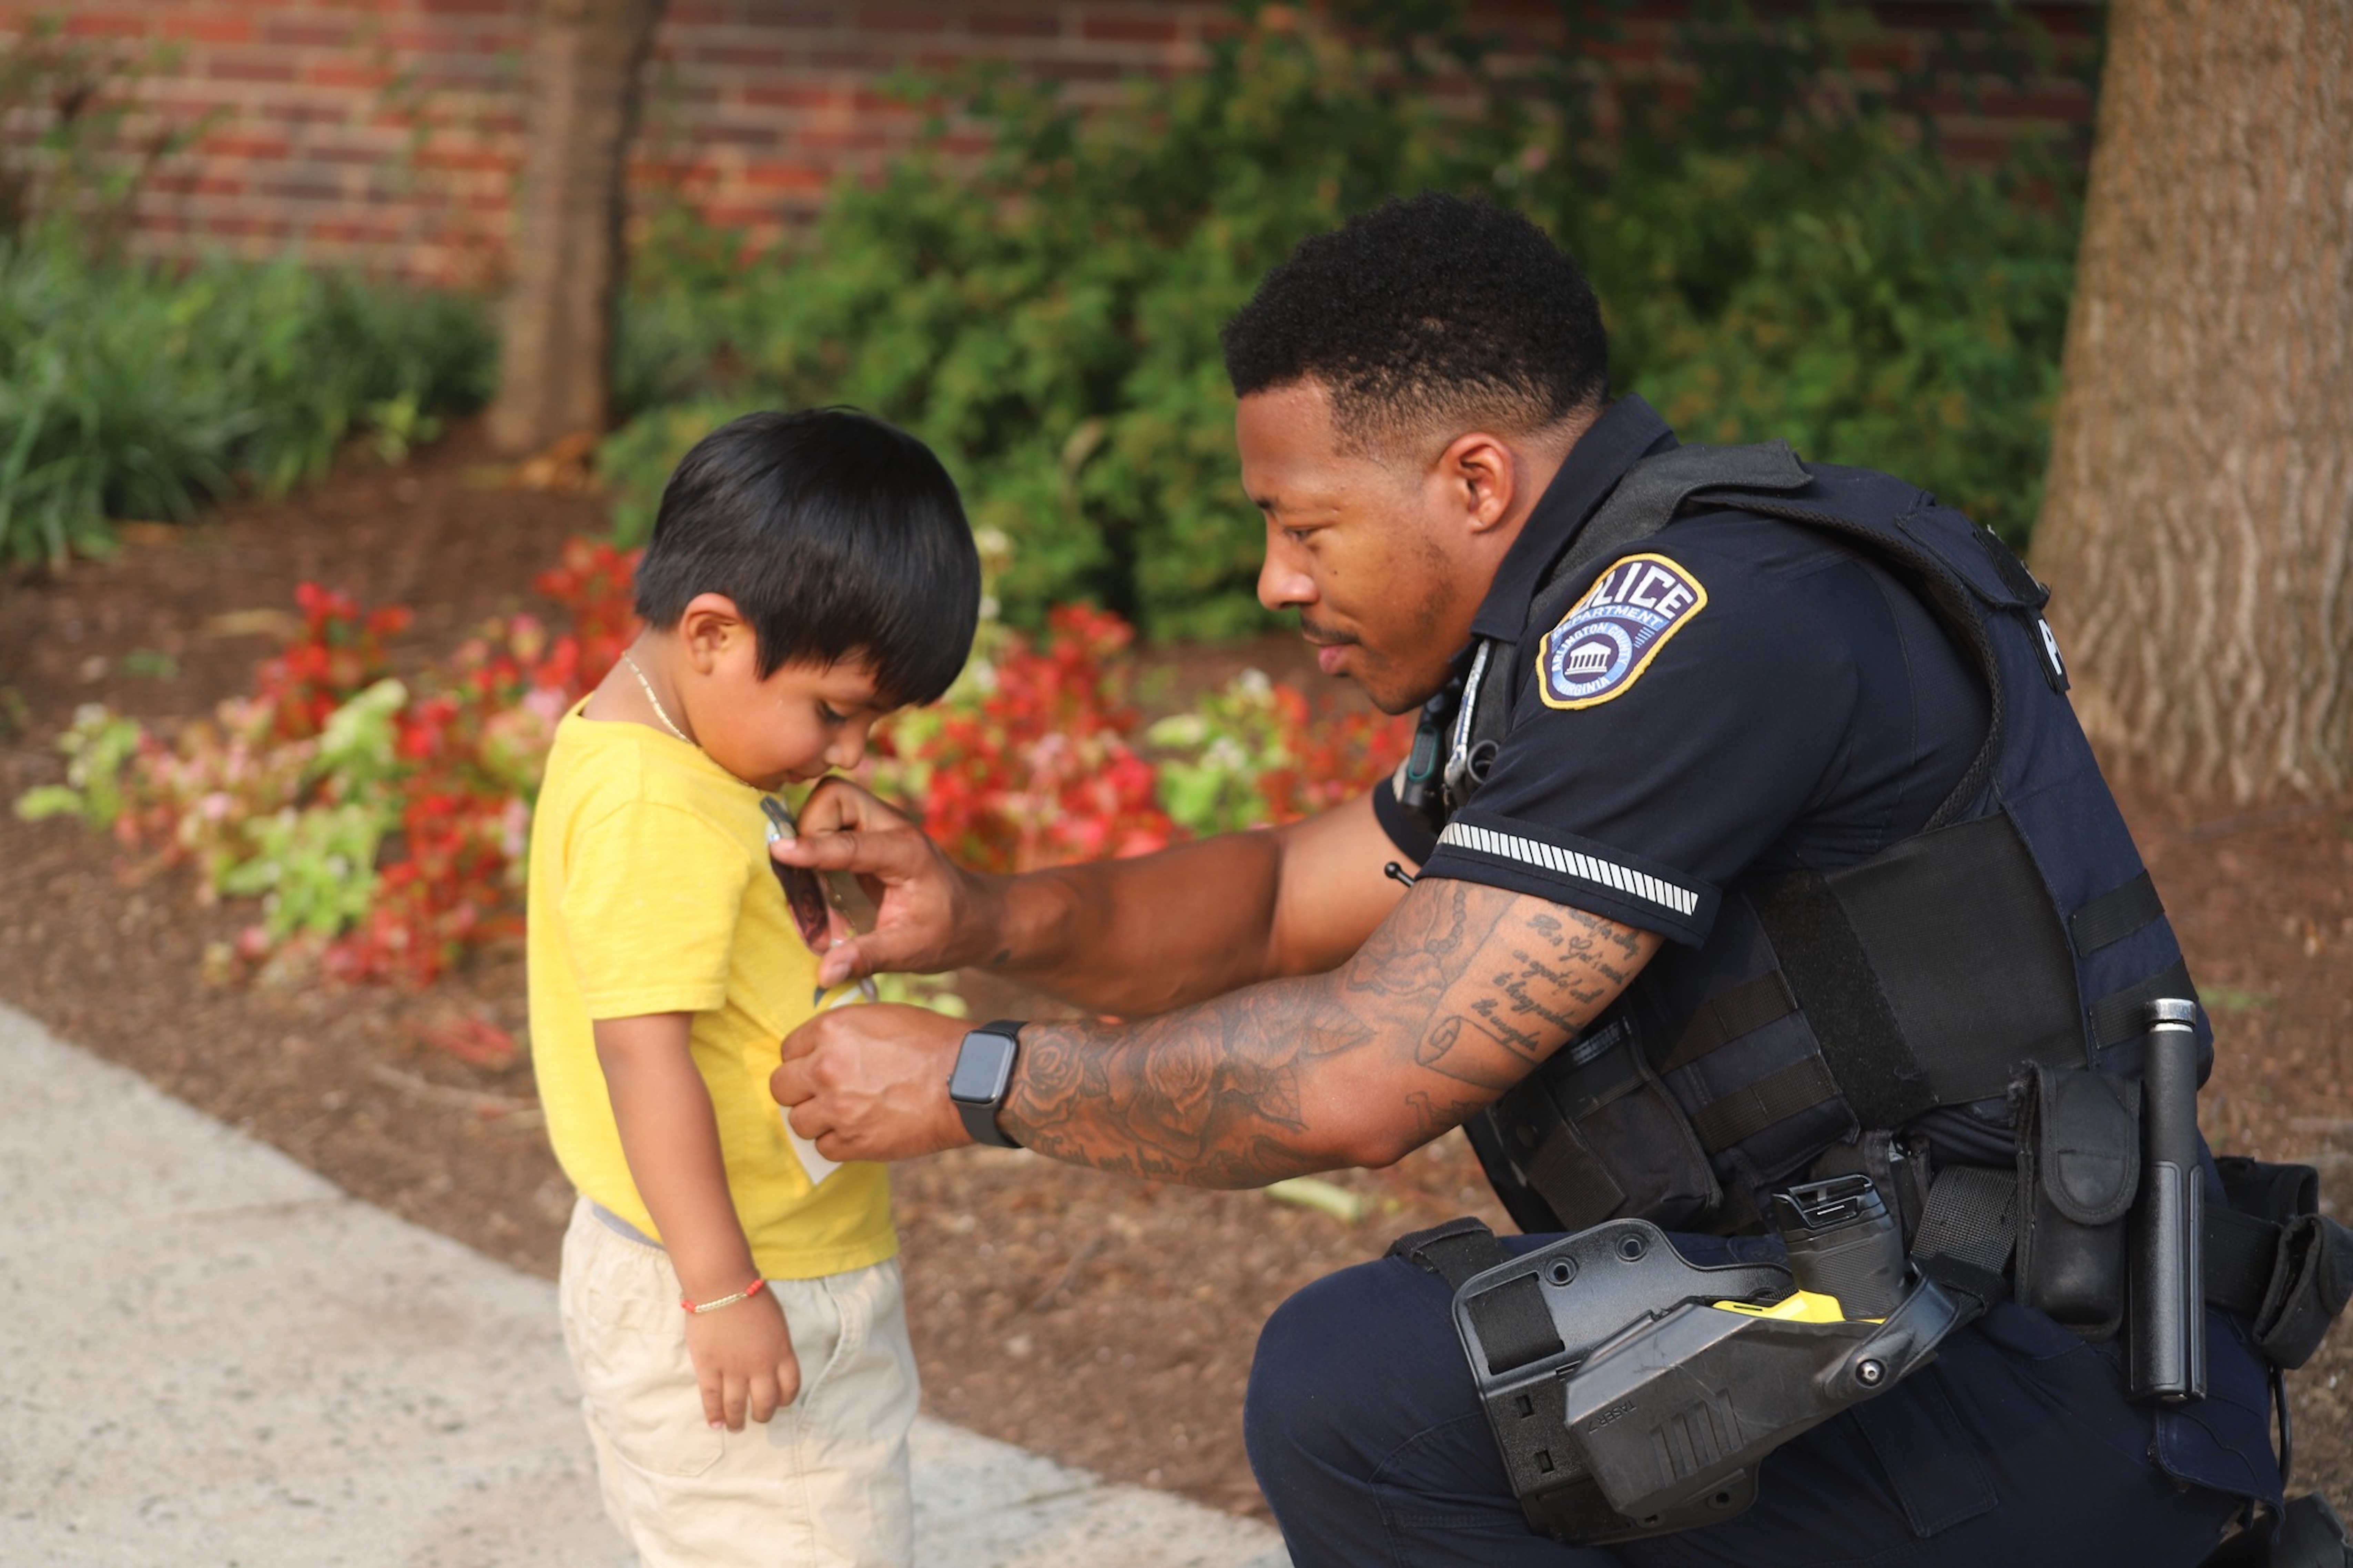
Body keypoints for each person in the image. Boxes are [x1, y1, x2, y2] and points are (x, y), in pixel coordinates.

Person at [766, 195, 2298, 1566]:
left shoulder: (1708, 623)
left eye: (1303, 527)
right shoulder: (1593, 649)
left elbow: (1367, 1074)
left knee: (1369, 1392)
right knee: (1441, 1377)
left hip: (2027, 1387)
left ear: (1478, 477)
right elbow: (1272, 906)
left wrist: (979, 1081)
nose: (1275, 583)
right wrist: (980, 919)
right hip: (1903, 1331)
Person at [526, 408, 980, 1567]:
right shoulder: (652, 807)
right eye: (835, 710)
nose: (854, 750)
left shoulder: (691, 753)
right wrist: (722, 1292)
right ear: (714, 633)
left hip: (760, 1255)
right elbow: (643, 1052)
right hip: (739, 1270)